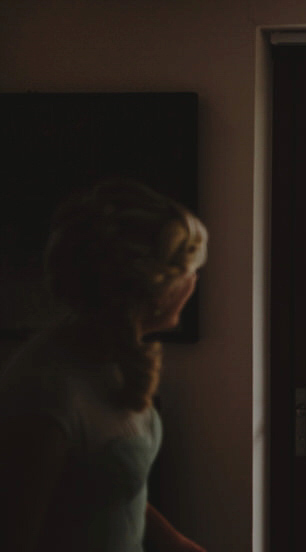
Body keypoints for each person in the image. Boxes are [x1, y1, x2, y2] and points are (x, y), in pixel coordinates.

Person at [0, 179, 208, 552]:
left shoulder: (106, 356)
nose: (194, 280)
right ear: (156, 287)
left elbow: (104, 484)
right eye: (188, 269)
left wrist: (174, 542)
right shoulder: (46, 390)